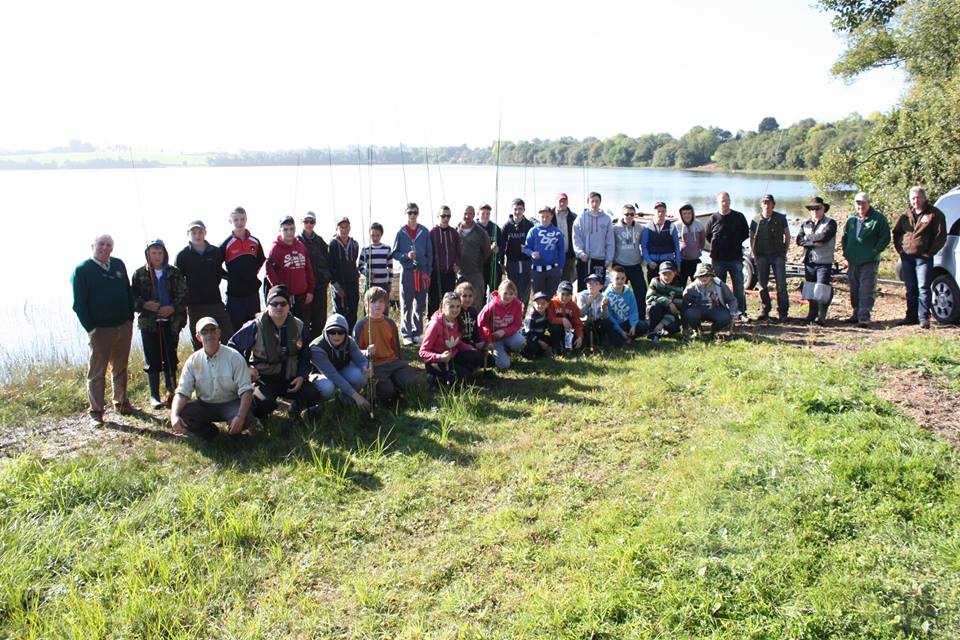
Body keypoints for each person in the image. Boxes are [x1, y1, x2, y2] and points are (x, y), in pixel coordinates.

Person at [227, 285, 322, 421]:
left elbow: (305, 354)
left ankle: (295, 409)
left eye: (283, 303)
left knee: (312, 394)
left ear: (289, 306)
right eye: (274, 303)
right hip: (263, 379)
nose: (279, 307)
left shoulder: (298, 326)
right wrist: (246, 367)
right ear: (268, 306)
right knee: (263, 402)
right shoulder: (254, 327)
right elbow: (232, 347)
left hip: (290, 376)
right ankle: (261, 418)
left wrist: (301, 376)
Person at [72, 234, 136, 425]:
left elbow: (127, 291)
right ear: (93, 245)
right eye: (101, 244)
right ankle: (96, 411)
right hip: (100, 330)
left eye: (109, 245)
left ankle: (122, 402)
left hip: (123, 326)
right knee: (97, 371)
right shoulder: (82, 270)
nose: (105, 248)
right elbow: (79, 304)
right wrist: (91, 329)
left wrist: (130, 318)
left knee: (120, 367)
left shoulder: (118, 264)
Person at [169, 317, 254, 439]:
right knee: (181, 413)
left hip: (231, 404)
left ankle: (234, 432)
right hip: (205, 405)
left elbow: (246, 389)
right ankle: (209, 433)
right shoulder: (192, 361)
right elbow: (182, 392)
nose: (209, 334)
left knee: (247, 416)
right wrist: (174, 415)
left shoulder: (234, 357)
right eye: (204, 331)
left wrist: (240, 416)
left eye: (213, 330)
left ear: (219, 333)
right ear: (198, 337)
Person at [131, 239, 188, 409]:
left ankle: (172, 391)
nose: (157, 256)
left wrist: (172, 308)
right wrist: (144, 304)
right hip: (149, 323)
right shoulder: (139, 274)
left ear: (165, 254)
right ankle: (154, 396)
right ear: (148, 254)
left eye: (160, 253)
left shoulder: (174, 273)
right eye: (153, 253)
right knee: (152, 359)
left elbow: (184, 295)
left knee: (171, 358)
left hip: (171, 322)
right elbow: (132, 297)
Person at [353, 286, 424, 403]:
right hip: (375, 366)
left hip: (393, 362)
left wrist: (401, 363)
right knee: (387, 392)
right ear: (366, 305)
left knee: (411, 383)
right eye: (373, 302)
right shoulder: (360, 326)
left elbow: (396, 347)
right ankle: (392, 392)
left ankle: (399, 386)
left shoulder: (390, 323)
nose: (377, 305)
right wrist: (366, 353)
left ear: (386, 304)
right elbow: (354, 352)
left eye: (381, 301)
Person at [893, 186, 947, 328]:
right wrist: (901, 250)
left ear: (924, 197)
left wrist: (929, 252)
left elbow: (941, 236)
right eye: (913, 198)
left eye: (918, 197)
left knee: (923, 287)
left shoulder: (934, 214)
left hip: (924, 258)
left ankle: (924, 318)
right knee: (910, 288)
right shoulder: (906, 215)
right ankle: (911, 316)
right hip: (907, 257)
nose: (915, 201)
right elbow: (896, 232)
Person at [175, 220, 232, 350]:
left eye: (200, 231)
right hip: (195, 306)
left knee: (227, 337)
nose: (197, 235)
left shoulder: (216, 252)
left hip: (215, 302)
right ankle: (202, 369)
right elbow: (178, 281)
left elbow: (220, 273)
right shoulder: (182, 256)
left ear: (205, 232)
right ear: (188, 234)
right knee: (200, 342)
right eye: (193, 232)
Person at [842, 192, 891, 327]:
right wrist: (846, 252)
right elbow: (845, 237)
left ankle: (864, 316)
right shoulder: (852, 219)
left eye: (863, 203)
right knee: (854, 288)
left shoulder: (878, 219)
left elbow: (885, 237)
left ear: (869, 203)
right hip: (853, 259)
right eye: (858, 203)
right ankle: (856, 313)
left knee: (867, 288)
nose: (860, 206)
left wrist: (875, 251)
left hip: (869, 260)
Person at [420, 291, 483, 388]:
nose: (455, 310)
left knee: (477, 356)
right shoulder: (435, 325)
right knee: (462, 376)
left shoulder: (457, 320)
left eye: (458, 306)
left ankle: (453, 374)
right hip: (437, 361)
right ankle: (435, 377)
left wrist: (470, 348)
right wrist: (439, 357)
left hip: (452, 356)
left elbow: (457, 342)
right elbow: (423, 352)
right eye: (451, 307)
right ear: (444, 307)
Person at [309, 313, 371, 410]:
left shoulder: (349, 341)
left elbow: (362, 360)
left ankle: (345, 399)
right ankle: (318, 406)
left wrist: (366, 368)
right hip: (321, 376)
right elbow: (333, 375)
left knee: (361, 376)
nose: (336, 335)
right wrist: (357, 396)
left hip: (341, 370)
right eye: (332, 332)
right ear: (325, 332)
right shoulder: (316, 348)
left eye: (340, 332)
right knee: (328, 387)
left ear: (346, 333)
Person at [704, 192, 750, 321]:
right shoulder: (713, 218)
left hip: (735, 258)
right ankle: (722, 312)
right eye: (722, 201)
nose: (724, 203)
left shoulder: (739, 217)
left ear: (730, 201)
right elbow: (708, 236)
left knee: (739, 287)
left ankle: (741, 312)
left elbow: (745, 234)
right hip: (718, 260)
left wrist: (733, 242)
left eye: (726, 200)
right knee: (718, 287)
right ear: (718, 203)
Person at [220, 206, 266, 332]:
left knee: (255, 329)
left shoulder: (255, 241)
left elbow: (262, 260)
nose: (239, 223)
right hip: (234, 296)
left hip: (252, 294)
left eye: (242, 219)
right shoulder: (226, 244)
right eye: (236, 220)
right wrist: (230, 277)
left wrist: (251, 275)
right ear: (230, 221)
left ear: (246, 219)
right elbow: (216, 267)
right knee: (235, 331)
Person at [392, 203, 433, 345]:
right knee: (406, 303)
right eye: (410, 213)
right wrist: (406, 256)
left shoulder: (425, 231)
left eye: (415, 213)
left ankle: (417, 332)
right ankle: (406, 333)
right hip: (407, 272)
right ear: (406, 214)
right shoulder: (401, 232)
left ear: (418, 214)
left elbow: (430, 254)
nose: (413, 215)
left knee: (420, 303)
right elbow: (395, 253)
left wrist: (428, 272)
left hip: (421, 272)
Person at [797, 196, 838, 326]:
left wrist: (808, 240)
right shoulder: (806, 223)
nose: (814, 211)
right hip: (809, 261)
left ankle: (822, 316)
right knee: (810, 288)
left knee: (822, 289)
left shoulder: (831, 223)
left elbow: (824, 237)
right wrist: (814, 242)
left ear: (824, 209)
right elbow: (799, 240)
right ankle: (811, 314)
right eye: (812, 209)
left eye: (817, 209)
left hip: (824, 262)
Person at [266, 215, 314, 327]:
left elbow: (308, 269)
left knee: (303, 327)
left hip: (303, 296)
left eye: (291, 229)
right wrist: (280, 292)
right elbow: (269, 270)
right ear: (280, 231)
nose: (289, 232)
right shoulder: (275, 249)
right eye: (285, 229)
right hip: (286, 299)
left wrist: (310, 290)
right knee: (287, 328)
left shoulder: (301, 246)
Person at [749, 194, 791, 322]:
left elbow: (787, 236)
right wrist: (754, 253)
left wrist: (785, 251)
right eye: (764, 203)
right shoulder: (755, 219)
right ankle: (765, 310)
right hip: (761, 255)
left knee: (781, 285)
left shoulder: (781, 218)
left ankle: (783, 312)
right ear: (761, 205)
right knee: (762, 285)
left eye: (769, 203)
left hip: (778, 255)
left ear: (773, 204)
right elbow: (751, 237)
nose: (767, 205)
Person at [477, 279, 526, 371]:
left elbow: (517, 325)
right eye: (505, 293)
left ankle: (506, 350)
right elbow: (480, 324)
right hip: (493, 339)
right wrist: (488, 341)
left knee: (521, 341)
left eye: (511, 294)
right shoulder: (491, 306)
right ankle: (496, 353)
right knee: (504, 366)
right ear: (499, 292)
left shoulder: (517, 305)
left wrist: (504, 331)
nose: (508, 296)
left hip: (508, 335)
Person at [299, 211, 333, 336]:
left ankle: (317, 350)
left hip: (319, 286)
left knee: (320, 320)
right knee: (304, 321)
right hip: (304, 288)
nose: (309, 224)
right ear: (301, 222)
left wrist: (327, 278)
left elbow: (328, 260)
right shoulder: (297, 241)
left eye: (311, 221)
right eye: (306, 221)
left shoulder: (320, 241)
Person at [573, 191, 614, 290]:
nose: (594, 204)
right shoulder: (580, 218)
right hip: (584, 259)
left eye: (597, 201)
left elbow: (610, 241)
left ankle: (598, 305)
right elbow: (576, 238)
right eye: (592, 201)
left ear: (600, 202)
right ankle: (582, 306)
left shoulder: (606, 219)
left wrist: (609, 258)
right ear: (588, 203)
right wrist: (580, 253)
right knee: (583, 289)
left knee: (598, 288)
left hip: (599, 259)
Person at [682, 263, 736, 337]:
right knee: (689, 314)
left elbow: (731, 299)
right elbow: (683, 306)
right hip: (697, 310)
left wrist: (733, 311)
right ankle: (697, 330)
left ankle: (714, 330)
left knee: (726, 317)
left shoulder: (720, 284)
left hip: (716, 309)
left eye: (707, 275)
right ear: (697, 277)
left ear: (712, 276)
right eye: (701, 276)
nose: (704, 278)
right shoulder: (691, 288)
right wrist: (685, 328)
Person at [613, 203, 647, 320]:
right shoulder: (615, 228)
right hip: (620, 265)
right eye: (626, 214)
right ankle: (620, 318)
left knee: (641, 292)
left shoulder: (640, 228)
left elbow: (644, 245)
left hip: (635, 265)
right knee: (619, 293)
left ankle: (641, 319)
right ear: (622, 215)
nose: (629, 216)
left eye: (632, 214)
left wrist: (644, 260)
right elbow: (610, 245)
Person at [524, 205, 565, 299]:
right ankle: (539, 314)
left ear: (551, 216)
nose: (545, 219)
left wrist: (561, 267)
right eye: (542, 216)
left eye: (547, 216)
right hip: (537, 270)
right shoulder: (533, 231)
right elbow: (526, 248)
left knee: (552, 298)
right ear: (538, 217)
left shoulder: (557, 232)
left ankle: (551, 314)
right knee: (538, 297)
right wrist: (532, 254)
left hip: (553, 269)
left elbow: (561, 251)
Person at [329, 216, 361, 330]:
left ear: (350, 228)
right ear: (337, 229)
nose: (344, 230)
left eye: (346, 227)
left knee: (353, 312)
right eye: (341, 227)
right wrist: (336, 286)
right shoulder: (332, 244)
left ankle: (350, 338)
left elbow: (354, 262)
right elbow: (329, 267)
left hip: (352, 284)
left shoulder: (355, 244)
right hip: (339, 284)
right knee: (339, 314)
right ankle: (338, 337)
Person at [429, 205, 462, 316]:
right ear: (438, 216)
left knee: (448, 301)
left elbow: (458, 252)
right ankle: (432, 326)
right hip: (435, 273)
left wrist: (457, 264)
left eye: (448, 216)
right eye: (443, 216)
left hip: (449, 274)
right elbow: (428, 253)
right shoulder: (432, 233)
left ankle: (447, 325)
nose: (446, 218)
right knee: (433, 302)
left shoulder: (454, 233)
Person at [502, 198, 534, 307]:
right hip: (512, 263)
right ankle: (511, 312)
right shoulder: (506, 226)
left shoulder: (529, 225)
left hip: (526, 262)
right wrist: (502, 262)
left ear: (524, 210)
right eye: (515, 209)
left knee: (525, 289)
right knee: (511, 289)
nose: (517, 211)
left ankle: (523, 314)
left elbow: (534, 244)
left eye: (520, 209)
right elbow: (502, 245)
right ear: (512, 210)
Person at [640, 201, 681, 283]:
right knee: (653, 287)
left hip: (668, 262)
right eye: (658, 211)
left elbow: (677, 246)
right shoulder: (648, 227)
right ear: (654, 212)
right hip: (653, 264)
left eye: (663, 211)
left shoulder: (671, 226)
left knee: (670, 287)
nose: (660, 213)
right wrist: (649, 261)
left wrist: (678, 264)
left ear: (666, 212)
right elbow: (643, 246)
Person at [604, 265, 643, 347]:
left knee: (642, 326)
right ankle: (625, 338)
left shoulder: (629, 292)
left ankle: (628, 336)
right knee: (613, 338)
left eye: (622, 278)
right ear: (611, 279)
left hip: (627, 322)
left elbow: (634, 310)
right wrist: (620, 331)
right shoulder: (606, 295)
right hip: (616, 325)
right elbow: (609, 317)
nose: (620, 281)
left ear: (625, 279)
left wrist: (633, 325)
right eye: (617, 278)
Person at [457, 205, 491, 300]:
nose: (467, 216)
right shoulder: (455, 231)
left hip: (476, 274)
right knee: (460, 302)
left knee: (476, 302)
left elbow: (487, 252)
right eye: (465, 213)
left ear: (474, 215)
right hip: (460, 274)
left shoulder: (481, 233)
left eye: (470, 214)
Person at [645, 261, 683, 344]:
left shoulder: (678, 285)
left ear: (675, 273)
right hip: (655, 311)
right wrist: (668, 302)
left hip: (669, 313)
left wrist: (662, 324)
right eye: (664, 274)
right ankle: (653, 333)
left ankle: (662, 330)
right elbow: (649, 298)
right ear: (659, 274)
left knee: (674, 327)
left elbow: (676, 308)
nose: (667, 276)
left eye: (670, 273)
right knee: (655, 305)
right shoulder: (655, 281)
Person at [358, 221, 394, 296]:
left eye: (377, 235)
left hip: (383, 284)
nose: (375, 238)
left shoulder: (387, 249)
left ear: (381, 235)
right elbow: (360, 266)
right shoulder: (366, 250)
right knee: (369, 305)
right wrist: (367, 274)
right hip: (370, 284)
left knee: (383, 306)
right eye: (372, 235)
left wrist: (390, 283)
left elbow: (390, 268)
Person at [547, 280, 584, 353]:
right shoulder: (552, 303)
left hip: (569, 331)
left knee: (577, 345)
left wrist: (580, 337)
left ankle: (566, 346)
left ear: (571, 295)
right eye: (562, 294)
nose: (565, 297)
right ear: (557, 293)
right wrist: (562, 320)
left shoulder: (574, 306)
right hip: (556, 330)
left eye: (568, 295)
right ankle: (556, 347)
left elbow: (577, 323)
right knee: (556, 328)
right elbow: (550, 319)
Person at [477, 203, 504, 297]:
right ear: (478, 214)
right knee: (480, 294)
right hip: (478, 267)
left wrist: (498, 250)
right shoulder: (474, 228)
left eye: (487, 213)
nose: (485, 215)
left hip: (493, 265)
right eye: (483, 213)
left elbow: (502, 246)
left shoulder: (495, 228)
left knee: (495, 293)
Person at [578, 273, 610, 351]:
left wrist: (604, 307)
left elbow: (605, 317)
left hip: (597, 323)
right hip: (585, 323)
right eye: (589, 283)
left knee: (606, 324)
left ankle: (601, 344)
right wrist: (588, 303)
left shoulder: (603, 297)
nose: (591, 285)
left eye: (595, 283)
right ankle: (587, 346)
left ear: (601, 286)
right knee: (587, 326)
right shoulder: (582, 296)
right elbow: (581, 314)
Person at [551, 192, 578, 284]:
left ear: (567, 202)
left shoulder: (574, 217)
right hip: (552, 256)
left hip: (569, 256)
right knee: (553, 283)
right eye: (560, 201)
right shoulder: (549, 216)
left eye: (564, 201)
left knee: (567, 283)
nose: (562, 203)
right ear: (555, 202)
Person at [677, 203, 705, 288]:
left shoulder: (699, 225)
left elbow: (702, 240)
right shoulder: (676, 226)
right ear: (681, 214)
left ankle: (696, 301)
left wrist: (699, 250)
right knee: (681, 286)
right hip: (682, 261)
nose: (687, 216)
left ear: (692, 213)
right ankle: (681, 301)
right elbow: (673, 242)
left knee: (698, 285)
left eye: (689, 213)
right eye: (684, 213)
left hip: (695, 260)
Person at [521, 291, 556, 358]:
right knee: (532, 347)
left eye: (543, 303)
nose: (540, 305)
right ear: (534, 304)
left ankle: (543, 351)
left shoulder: (546, 312)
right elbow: (528, 332)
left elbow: (547, 326)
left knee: (551, 338)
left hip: (539, 334)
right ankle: (527, 353)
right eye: (538, 303)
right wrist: (540, 341)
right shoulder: (531, 316)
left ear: (547, 304)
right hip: (529, 336)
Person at [455, 281, 485, 353]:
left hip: (472, 343)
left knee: (491, 359)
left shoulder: (473, 311)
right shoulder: (456, 312)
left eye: (470, 296)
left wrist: (478, 341)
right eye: (464, 296)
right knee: (475, 356)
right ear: (459, 297)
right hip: (459, 346)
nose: (468, 299)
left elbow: (475, 331)